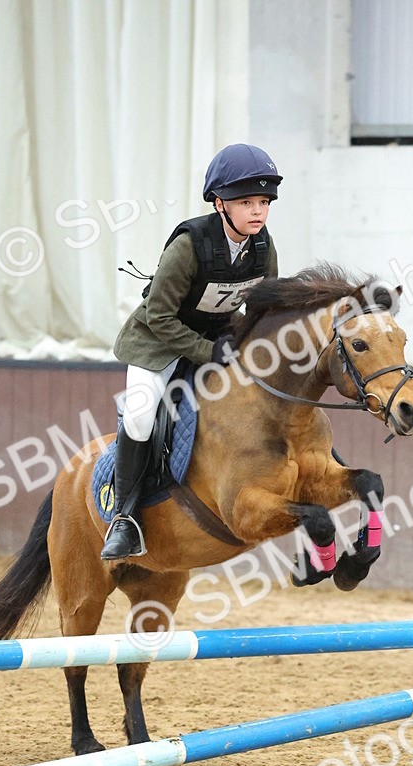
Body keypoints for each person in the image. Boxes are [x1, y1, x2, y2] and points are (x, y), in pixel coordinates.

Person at [102, 143, 282, 560]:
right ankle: (124, 518)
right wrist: (207, 351)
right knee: (142, 414)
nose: (257, 211)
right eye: (245, 202)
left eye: (263, 202)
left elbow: (263, 308)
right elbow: (160, 316)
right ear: (220, 204)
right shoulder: (189, 245)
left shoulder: (262, 246)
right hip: (157, 342)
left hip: (218, 338)